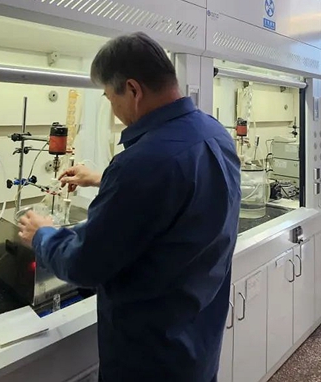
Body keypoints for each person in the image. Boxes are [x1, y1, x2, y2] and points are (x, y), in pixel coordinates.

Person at [18, 32, 241, 382]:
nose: (113, 109)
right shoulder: (213, 132)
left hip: (149, 357)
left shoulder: (141, 163)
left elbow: (85, 264)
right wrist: (102, 178)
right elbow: (176, 191)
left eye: (110, 98)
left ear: (134, 90)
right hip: (199, 342)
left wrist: (42, 235)